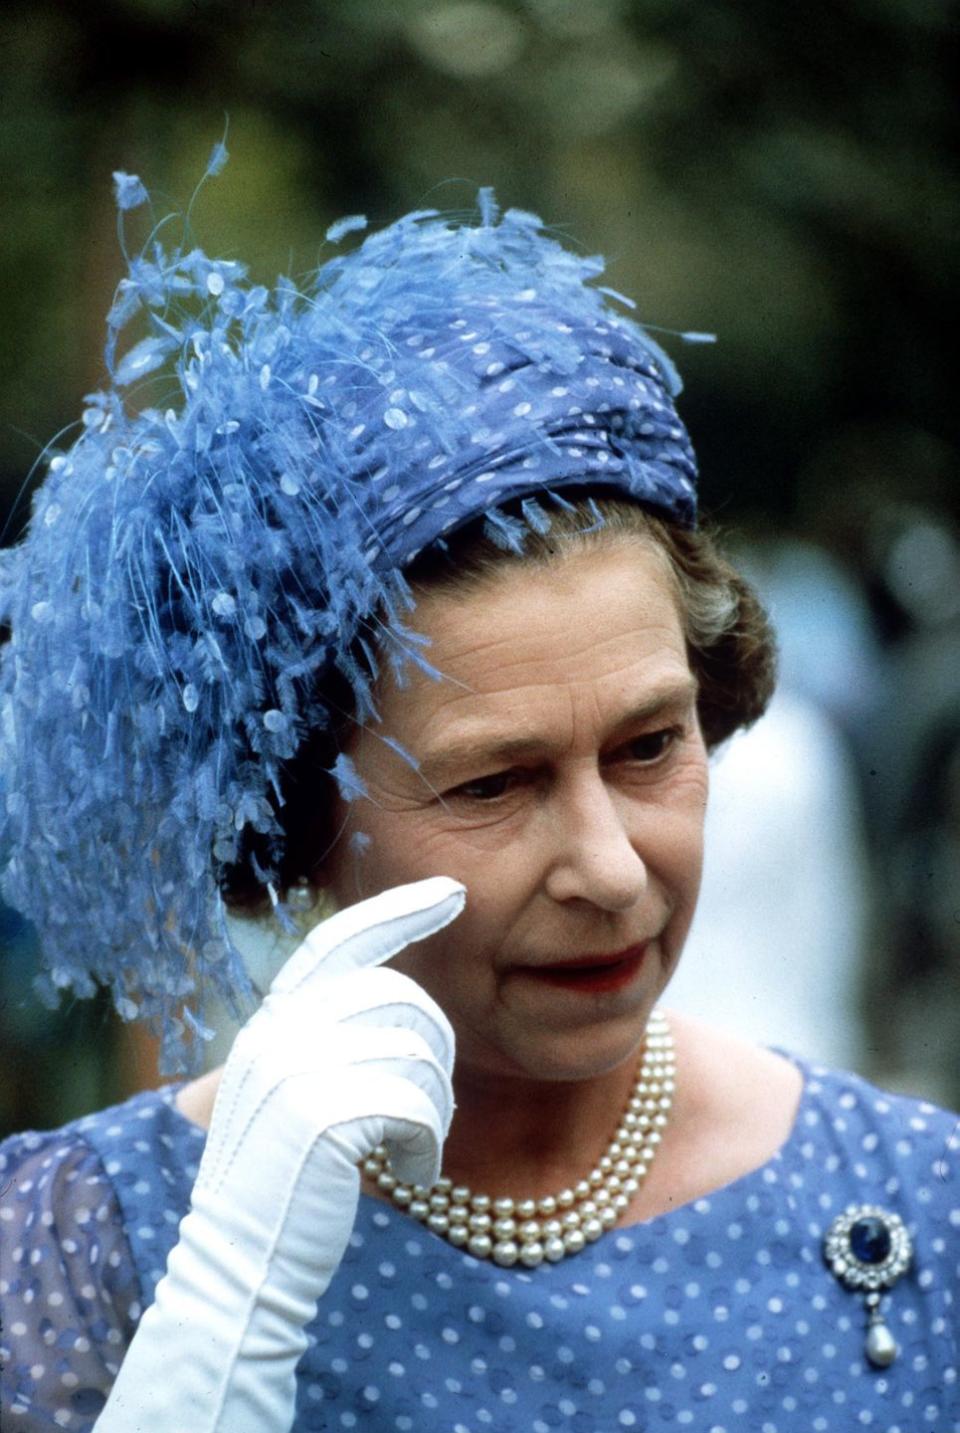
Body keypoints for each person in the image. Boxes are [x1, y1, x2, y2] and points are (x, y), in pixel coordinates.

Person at [0, 165, 957, 1433]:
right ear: (292, 823)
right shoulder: (77, 1245)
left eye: (649, 746)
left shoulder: (917, 1199)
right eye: (494, 781)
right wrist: (215, 1318)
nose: (612, 869)